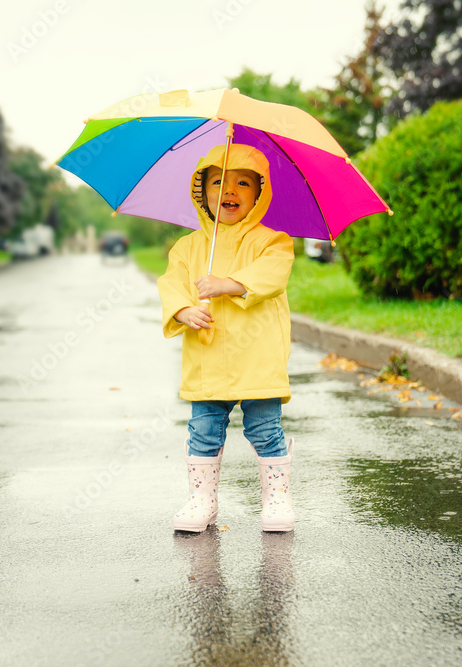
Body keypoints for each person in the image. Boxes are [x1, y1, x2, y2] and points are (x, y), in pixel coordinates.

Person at [157, 143, 296, 533]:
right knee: (203, 428)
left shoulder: (272, 240)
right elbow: (171, 284)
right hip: (208, 357)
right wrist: (183, 309)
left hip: (257, 354)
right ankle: (202, 498)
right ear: (202, 192)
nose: (230, 191)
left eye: (243, 183)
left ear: (259, 194)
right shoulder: (188, 247)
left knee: (265, 427)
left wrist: (229, 283)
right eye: (219, 182)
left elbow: (274, 274)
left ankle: (276, 497)